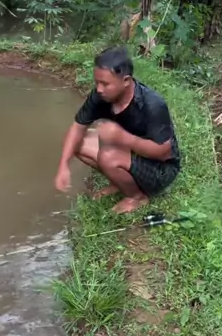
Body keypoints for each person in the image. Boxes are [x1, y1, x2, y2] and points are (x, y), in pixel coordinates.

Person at [54, 46, 180, 214]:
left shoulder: (153, 105)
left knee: (108, 155)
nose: (99, 89)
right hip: (129, 152)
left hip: (161, 168)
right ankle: (119, 180)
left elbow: (164, 153)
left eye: (105, 84)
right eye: (97, 82)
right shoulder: (100, 96)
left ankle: (137, 197)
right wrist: (63, 166)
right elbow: (77, 128)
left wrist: (123, 138)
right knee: (79, 142)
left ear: (126, 81)